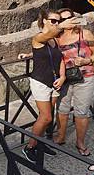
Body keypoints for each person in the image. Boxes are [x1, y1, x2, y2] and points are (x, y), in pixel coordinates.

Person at [21, 10, 76, 163]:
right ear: (44, 21)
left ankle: (39, 142)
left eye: (58, 21)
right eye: (53, 21)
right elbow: (42, 41)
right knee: (46, 117)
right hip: (40, 81)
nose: (56, 24)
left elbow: (60, 60)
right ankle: (30, 147)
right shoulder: (39, 37)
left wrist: (63, 76)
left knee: (46, 115)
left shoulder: (55, 40)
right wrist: (62, 26)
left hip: (55, 81)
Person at [53, 8, 94, 156]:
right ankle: (61, 137)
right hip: (64, 78)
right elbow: (44, 45)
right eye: (63, 20)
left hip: (85, 77)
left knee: (81, 111)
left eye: (70, 17)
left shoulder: (85, 33)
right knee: (62, 109)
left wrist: (87, 60)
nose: (68, 21)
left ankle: (80, 142)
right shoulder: (57, 37)